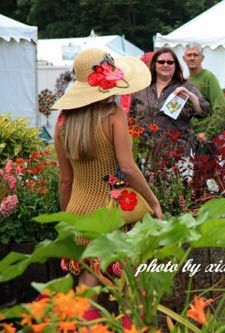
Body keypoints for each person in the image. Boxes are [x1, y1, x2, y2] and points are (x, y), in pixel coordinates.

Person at [52, 48, 164, 310]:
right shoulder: (114, 115)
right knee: (129, 292)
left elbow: (65, 180)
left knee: (85, 296)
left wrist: (67, 216)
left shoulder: (62, 123)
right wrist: (153, 202)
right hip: (112, 213)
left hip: (79, 213)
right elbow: (128, 167)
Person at [129, 47, 210, 164]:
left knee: (178, 183)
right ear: (154, 64)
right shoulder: (142, 88)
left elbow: (204, 112)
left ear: (176, 65)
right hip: (145, 150)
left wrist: (189, 95)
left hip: (178, 152)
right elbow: (131, 119)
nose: (165, 65)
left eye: (170, 62)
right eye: (161, 61)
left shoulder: (187, 87)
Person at [183, 42, 225, 142]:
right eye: (189, 55)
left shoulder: (208, 77)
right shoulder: (185, 81)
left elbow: (221, 107)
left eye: (195, 55)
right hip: (190, 137)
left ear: (202, 58)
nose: (192, 58)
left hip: (205, 138)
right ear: (184, 58)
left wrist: (208, 133)